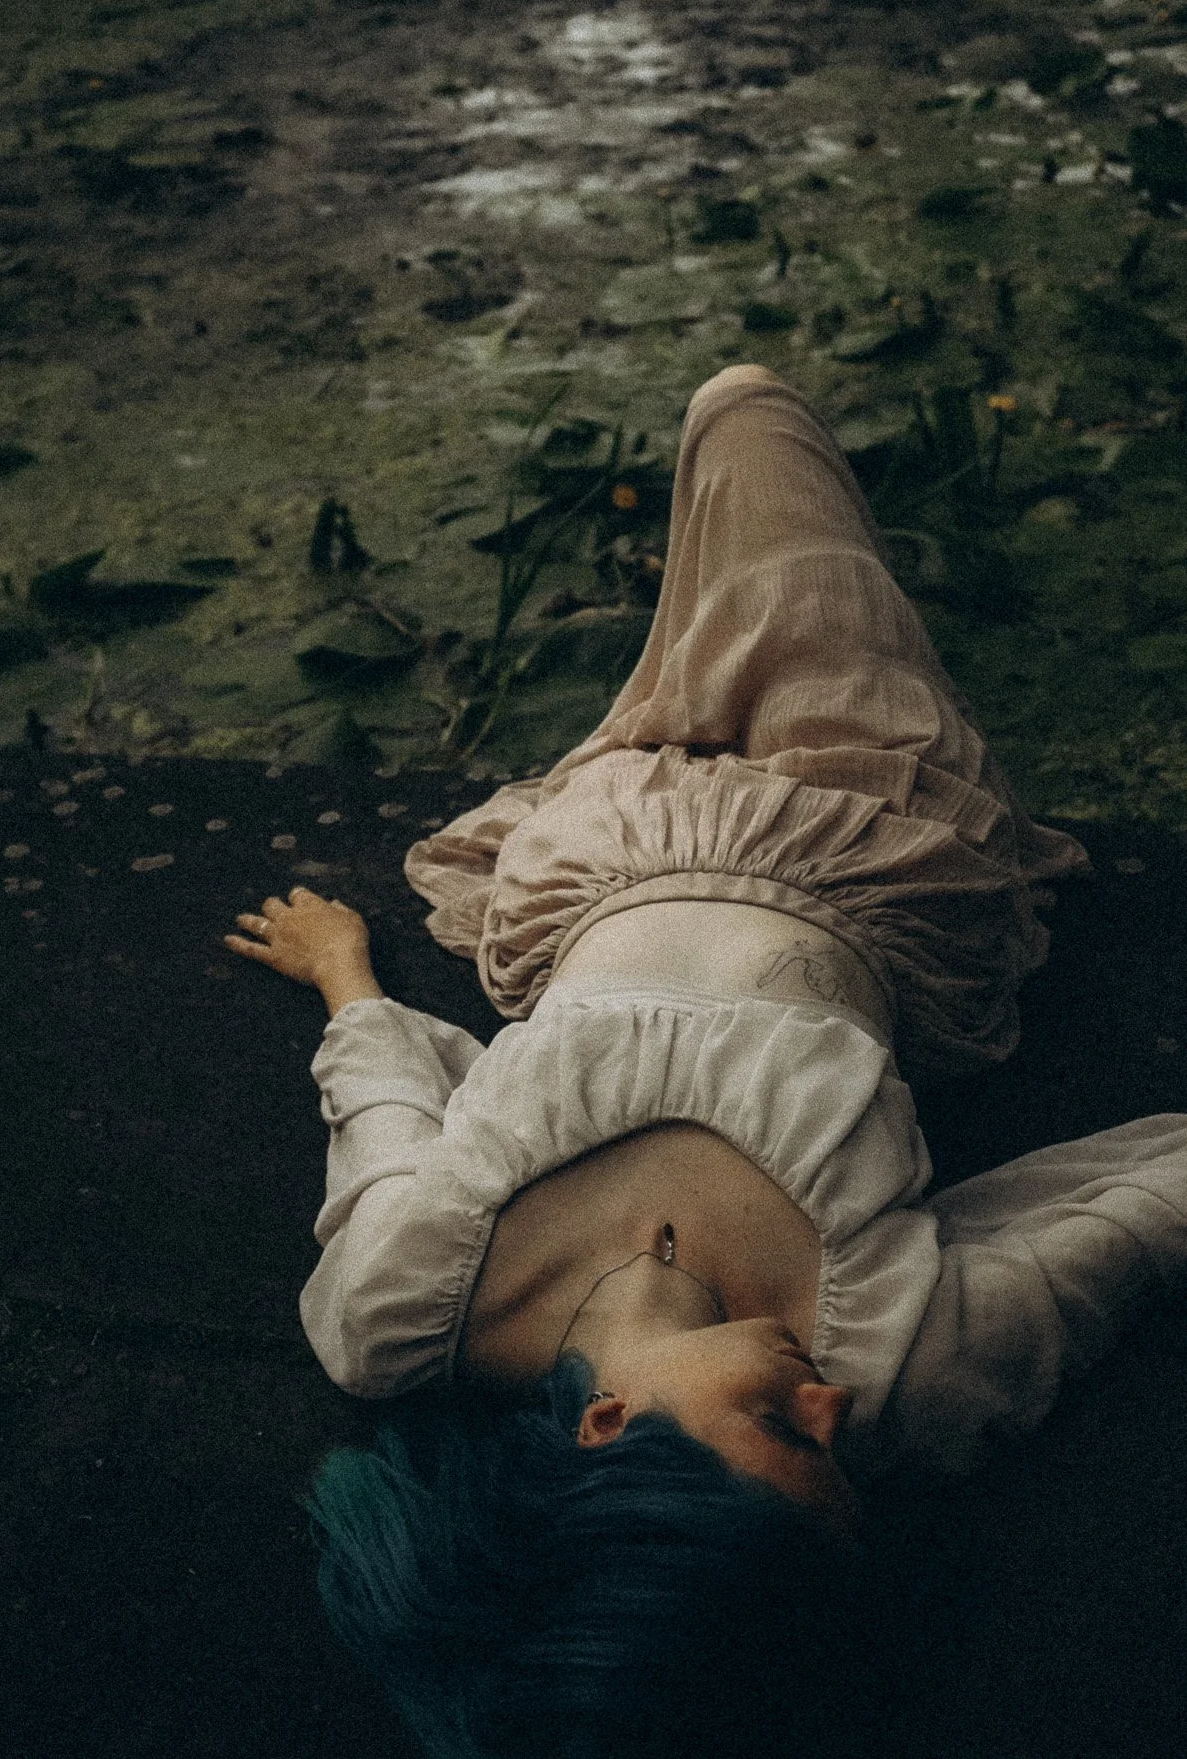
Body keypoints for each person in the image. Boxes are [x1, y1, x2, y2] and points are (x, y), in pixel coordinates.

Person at [223, 365, 1187, 1759]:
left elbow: (387, 1112)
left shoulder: (396, 1311)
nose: (831, 1407)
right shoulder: (912, 1365)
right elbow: (1147, 1213)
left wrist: (343, 972)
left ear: (609, 1425)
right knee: (747, 415)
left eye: (788, 1435)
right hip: (870, 836)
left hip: (609, 838)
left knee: (711, 509)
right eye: (838, 1456)